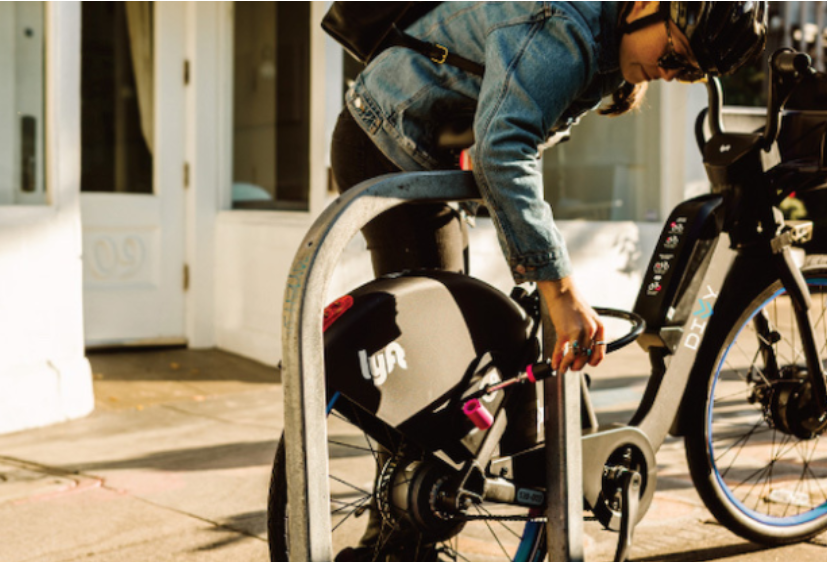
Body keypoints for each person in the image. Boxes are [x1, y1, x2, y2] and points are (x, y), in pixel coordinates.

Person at [329, 1, 766, 556]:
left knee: (449, 363)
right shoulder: (565, 25)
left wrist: (626, 71)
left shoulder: (610, 30)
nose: (669, 73)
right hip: (387, 144)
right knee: (435, 378)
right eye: (674, 55)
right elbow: (503, 149)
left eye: (688, 73)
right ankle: (390, 550)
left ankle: (402, 537)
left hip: (424, 148)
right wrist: (558, 289)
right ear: (649, 5)